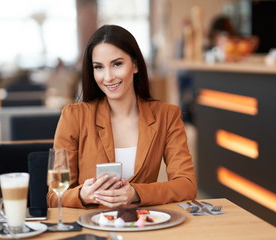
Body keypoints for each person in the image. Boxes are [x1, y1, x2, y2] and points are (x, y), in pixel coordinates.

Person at [47, 25, 197, 209]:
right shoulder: (74, 117)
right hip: (91, 228)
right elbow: (54, 197)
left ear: (135, 65)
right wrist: (82, 195)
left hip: (144, 226)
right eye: (99, 67)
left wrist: (135, 193)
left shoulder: (166, 116)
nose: (108, 77)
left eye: (117, 64)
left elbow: (187, 186)